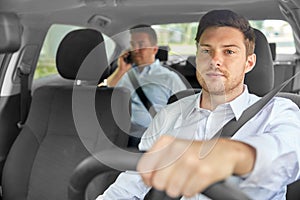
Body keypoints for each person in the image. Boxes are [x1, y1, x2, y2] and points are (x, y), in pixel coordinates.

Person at [97, 10, 300, 199]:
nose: (214, 60)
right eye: (206, 51)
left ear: (249, 63)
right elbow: (130, 184)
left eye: (229, 52)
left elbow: (291, 156)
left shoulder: (278, 111)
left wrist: (233, 155)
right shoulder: (168, 115)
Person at [99, 24, 187, 144]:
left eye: (141, 44)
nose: (136, 50)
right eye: (133, 45)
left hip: (150, 138)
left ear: (154, 49)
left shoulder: (169, 78)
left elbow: (185, 113)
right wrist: (120, 71)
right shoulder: (123, 73)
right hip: (118, 135)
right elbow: (101, 96)